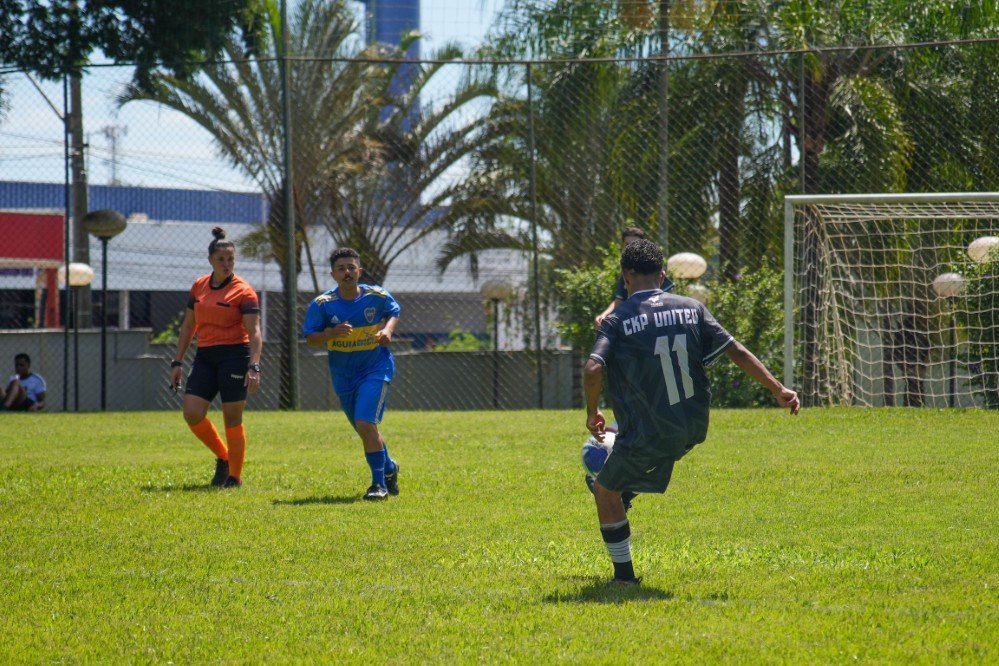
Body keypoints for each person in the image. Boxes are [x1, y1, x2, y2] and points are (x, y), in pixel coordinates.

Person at [584, 239, 799, 584]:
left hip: (649, 431)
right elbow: (736, 350)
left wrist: (592, 412)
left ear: (625, 277)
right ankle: (626, 489)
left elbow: (593, 368)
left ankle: (624, 577)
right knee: (642, 456)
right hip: (693, 426)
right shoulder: (693, 308)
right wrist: (778, 389)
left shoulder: (618, 319)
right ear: (663, 275)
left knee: (603, 489)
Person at [303, 248, 401, 501]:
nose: (347, 272)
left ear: (360, 271)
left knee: (365, 423)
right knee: (364, 428)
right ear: (333, 274)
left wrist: (388, 331)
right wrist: (330, 334)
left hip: (375, 368)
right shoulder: (323, 304)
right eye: (341, 268)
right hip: (344, 374)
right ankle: (389, 467)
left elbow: (394, 311)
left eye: (351, 267)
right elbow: (310, 339)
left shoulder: (376, 296)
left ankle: (378, 485)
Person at [170, 227, 262, 488]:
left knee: (232, 417)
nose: (226, 264)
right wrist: (177, 362)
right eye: (221, 259)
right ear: (210, 259)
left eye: (230, 259)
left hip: (235, 355)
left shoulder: (244, 291)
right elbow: (189, 326)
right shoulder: (199, 286)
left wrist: (254, 366)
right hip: (205, 356)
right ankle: (224, 457)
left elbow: (255, 332)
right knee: (192, 413)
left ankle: (234, 477)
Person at [594, 226, 675, 330]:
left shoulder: (651, 270)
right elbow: (619, 300)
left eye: (635, 244)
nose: (631, 248)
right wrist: (604, 315)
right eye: (627, 244)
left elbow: (671, 298)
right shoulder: (626, 272)